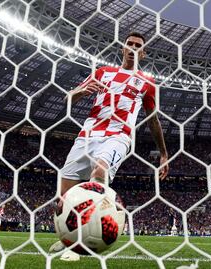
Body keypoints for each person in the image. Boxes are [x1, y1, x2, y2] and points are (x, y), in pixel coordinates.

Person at [50, 32, 169, 261]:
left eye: (138, 46)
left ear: (143, 53)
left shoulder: (147, 83)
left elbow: (153, 120)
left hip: (118, 136)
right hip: (88, 134)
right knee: (64, 195)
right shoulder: (104, 73)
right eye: (130, 44)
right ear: (123, 48)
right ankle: (70, 238)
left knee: (100, 171)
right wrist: (81, 92)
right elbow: (68, 99)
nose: (133, 47)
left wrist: (164, 153)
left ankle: (84, 242)